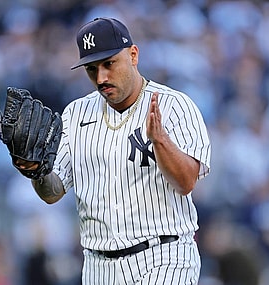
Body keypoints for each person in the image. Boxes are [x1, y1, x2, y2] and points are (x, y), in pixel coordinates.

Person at [18, 17, 211, 285]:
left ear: (133, 55)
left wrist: (161, 141)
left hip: (164, 255)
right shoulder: (75, 114)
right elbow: (53, 192)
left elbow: (186, 182)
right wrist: (35, 170)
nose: (101, 78)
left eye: (109, 64)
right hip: (98, 265)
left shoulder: (174, 105)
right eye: (91, 68)